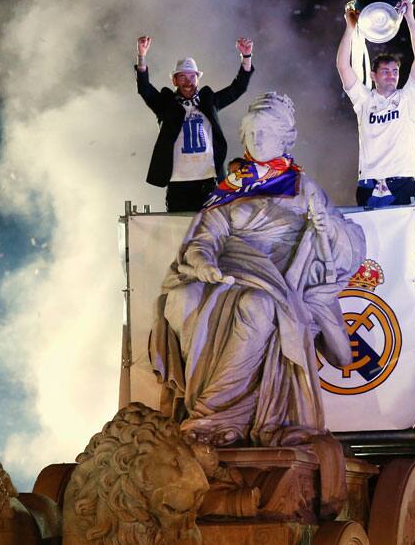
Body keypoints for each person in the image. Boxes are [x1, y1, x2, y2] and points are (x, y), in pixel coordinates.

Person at [149, 92, 366, 448]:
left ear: (285, 138)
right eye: (250, 133)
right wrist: (203, 262)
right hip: (229, 275)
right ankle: (202, 405)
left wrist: (331, 230)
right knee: (181, 298)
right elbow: (205, 236)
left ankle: (215, 412)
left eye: (264, 131)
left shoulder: (303, 188)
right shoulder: (230, 189)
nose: (256, 140)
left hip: (280, 282)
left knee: (258, 305)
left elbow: (350, 245)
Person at [135, 35, 255, 212]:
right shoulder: (166, 104)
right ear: (174, 81)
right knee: (180, 234)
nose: (188, 82)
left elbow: (237, 89)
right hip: (178, 184)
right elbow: (145, 89)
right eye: (182, 77)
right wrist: (142, 56)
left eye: (192, 77)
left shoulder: (209, 102)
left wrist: (246, 58)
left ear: (198, 79)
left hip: (207, 181)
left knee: (210, 233)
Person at [336, 0, 415, 207]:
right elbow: (343, 66)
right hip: (368, 184)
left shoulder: (407, 98)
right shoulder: (364, 100)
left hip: (403, 182)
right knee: (368, 239)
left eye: (395, 71)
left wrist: (410, 18)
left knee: (401, 239)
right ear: (373, 76)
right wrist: (350, 29)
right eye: (385, 71)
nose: (391, 76)